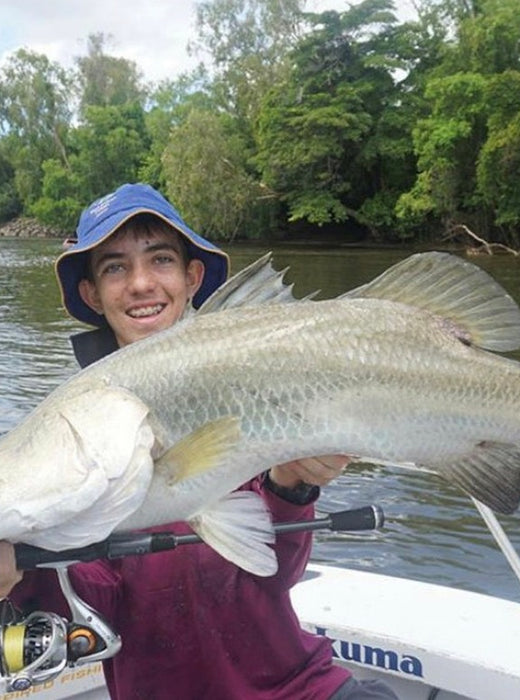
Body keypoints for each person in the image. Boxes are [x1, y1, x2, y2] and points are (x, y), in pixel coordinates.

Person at [0, 184, 398, 700]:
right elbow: (96, 599)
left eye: (160, 259)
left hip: (300, 687)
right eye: (115, 267)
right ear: (92, 293)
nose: (141, 283)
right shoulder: (79, 426)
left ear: (191, 278)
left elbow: (273, 577)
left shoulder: (255, 375)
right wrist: (20, 575)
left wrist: (293, 486)